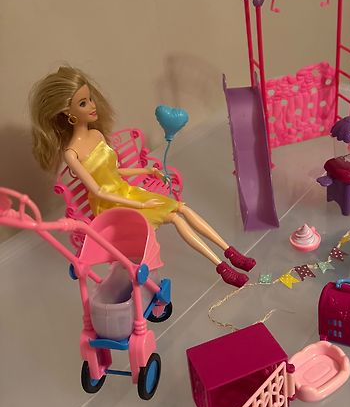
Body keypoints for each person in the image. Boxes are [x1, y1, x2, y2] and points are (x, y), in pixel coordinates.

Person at [29, 66, 255, 287]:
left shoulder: (96, 134)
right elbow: (98, 190)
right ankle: (222, 269)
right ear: (66, 112)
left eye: (90, 99)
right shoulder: (71, 153)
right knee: (176, 217)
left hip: (125, 191)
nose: (92, 105)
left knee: (183, 208)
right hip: (111, 205)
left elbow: (114, 171)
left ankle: (231, 253)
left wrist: (146, 171)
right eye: (82, 103)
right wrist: (140, 203)